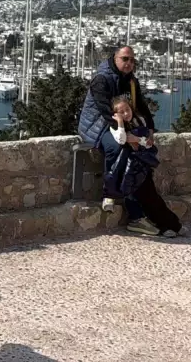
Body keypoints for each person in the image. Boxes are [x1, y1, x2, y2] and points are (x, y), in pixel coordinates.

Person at [77, 46, 180, 236]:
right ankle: (116, 198)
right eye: (125, 59)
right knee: (127, 155)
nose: (129, 63)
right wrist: (129, 137)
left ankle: (159, 220)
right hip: (99, 129)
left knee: (140, 161)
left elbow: (141, 105)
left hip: (125, 128)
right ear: (114, 59)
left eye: (133, 60)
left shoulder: (131, 81)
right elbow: (106, 113)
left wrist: (149, 129)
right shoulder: (101, 80)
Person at [103, 95, 183, 238]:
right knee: (147, 197)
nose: (126, 114)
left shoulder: (138, 120)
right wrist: (121, 123)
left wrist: (136, 139)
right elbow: (121, 139)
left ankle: (173, 224)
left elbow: (147, 143)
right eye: (121, 112)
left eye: (127, 110)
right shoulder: (115, 126)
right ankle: (166, 226)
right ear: (115, 114)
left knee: (151, 196)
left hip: (141, 164)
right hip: (129, 169)